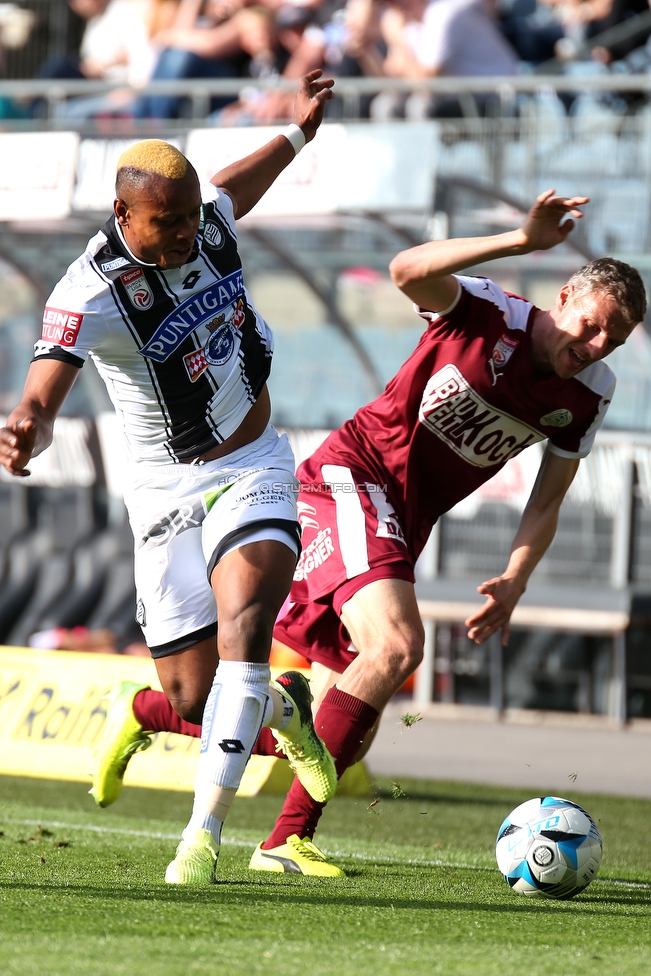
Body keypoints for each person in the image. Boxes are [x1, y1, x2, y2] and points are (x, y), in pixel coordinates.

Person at [88, 189, 646, 876]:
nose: (591, 346)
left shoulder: (590, 392)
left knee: (336, 718)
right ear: (562, 297)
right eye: (589, 326)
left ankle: (145, 711)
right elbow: (406, 269)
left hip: (402, 525)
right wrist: (519, 240)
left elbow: (545, 500)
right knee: (397, 646)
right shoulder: (484, 311)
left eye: (610, 341)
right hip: (352, 478)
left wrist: (515, 576)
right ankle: (283, 843)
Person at [0, 69, 338, 887]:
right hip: (163, 493)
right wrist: (26, 426)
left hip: (253, 462)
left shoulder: (207, 219)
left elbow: (232, 189)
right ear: (123, 214)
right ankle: (285, 707)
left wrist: (298, 134)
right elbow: (46, 385)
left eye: (190, 217)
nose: (187, 232)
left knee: (248, 622)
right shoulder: (89, 294)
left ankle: (201, 836)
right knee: (191, 697)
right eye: (167, 222)